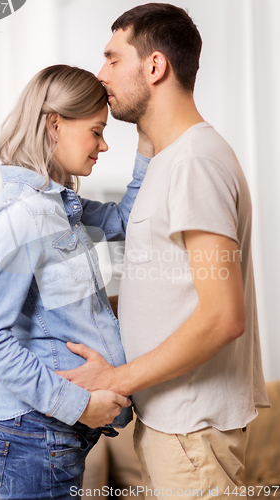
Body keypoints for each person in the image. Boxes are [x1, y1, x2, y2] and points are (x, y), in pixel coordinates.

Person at [55, 5, 270, 499]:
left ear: (155, 67)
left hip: (191, 436)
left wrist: (115, 377)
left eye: (112, 59)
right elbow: (171, 293)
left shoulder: (195, 162)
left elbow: (222, 317)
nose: (100, 74)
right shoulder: (171, 162)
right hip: (175, 432)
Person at [0, 64, 153, 500]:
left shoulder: (60, 208)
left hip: (50, 440)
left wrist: (147, 139)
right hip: (33, 439)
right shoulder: (19, 216)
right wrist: (81, 405)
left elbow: (126, 221)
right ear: (54, 124)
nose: (103, 145)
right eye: (96, 131)